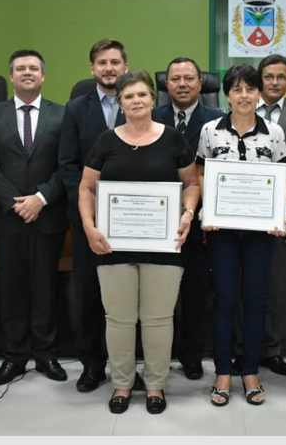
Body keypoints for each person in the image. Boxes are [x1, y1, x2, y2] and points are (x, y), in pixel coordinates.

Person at [78, 70, 200, 414]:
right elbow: (86, 187)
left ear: (152, 99)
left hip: (163, 245)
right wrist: (89, 226)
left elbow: (191, 183)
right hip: (113, 246)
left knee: (159, 318)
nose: (136, 101)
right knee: (118, 319)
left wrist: (188, 213)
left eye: (143, 95)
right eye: (129, 96)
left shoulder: (174, 139)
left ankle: (155, 385)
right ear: (120, 102)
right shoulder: (106, 141)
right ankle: (122, 383)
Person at [197, 64, 286, 406]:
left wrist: (280, 212)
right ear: (227, 95)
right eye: (236, 89)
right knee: (222, 299)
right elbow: (201, 174)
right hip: (221, 231)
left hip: (259, 232)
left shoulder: (274, 132)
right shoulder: (210, 130)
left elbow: (284, 177)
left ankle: (250, 371)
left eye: (250, 88)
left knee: (254, 300)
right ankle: (223, 371)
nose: (244, 95)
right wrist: (208, 210)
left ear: (259, 92)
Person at [0, 50, 68, 385]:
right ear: (11, 77)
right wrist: (16, 202)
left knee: (45, 287)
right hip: (7, 216)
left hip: (48, 215)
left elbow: (67, 164)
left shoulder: (63, 114)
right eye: (20, 68)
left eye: (33, 68)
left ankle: (45, 355)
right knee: (11, 289)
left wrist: (41, 198)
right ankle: (14, 357)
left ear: (44, 76)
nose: (27, 72)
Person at [58, 38, 137, 393]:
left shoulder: (140, 105)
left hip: (134, 220)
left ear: (125, 67)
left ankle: (130, 366)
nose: (109, 68)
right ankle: (92, 365)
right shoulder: (75, 109)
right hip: (90, 219)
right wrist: (89, 206)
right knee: (90, 293)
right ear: (92, 69)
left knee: (130, 296)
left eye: (115, 62)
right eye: (102, 62)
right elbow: (67, 164)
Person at [233, 54, 286, 377]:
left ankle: (272, 350)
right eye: (269, 77)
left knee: (276, 287)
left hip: (280, 221)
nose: (275, 82)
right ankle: (242, 350)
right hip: (240, 218)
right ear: (258, 81)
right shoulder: (239, 113)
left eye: (281, 77)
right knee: (243, 287)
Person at [153, 57, 222, 381]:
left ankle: (191, 356)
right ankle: (157, 357)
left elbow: (222, 175)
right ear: (165, 85)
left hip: (199, 226)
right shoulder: (150, 117)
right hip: (155, 221)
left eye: (189, 78)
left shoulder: (218, 120)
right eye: (175, 78)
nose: (182, 83)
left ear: (201, 84)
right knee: (157, 296)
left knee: (195, 294)